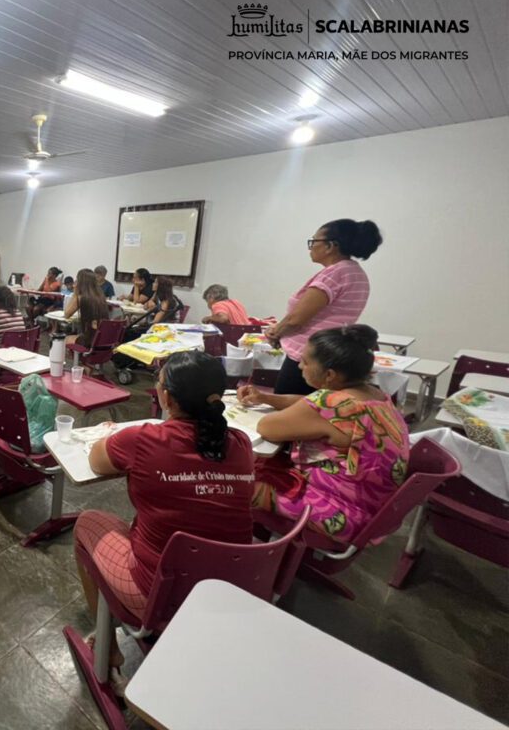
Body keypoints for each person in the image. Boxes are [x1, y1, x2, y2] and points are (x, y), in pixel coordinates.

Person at [74, 351, 254, 684]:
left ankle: (107, 647)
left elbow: (97, 461)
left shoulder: (142, 439)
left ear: (167, 397)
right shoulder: (241, 444)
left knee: (87, 522)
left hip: (159, 594)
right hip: (231, 587)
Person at [240, 324, 410, 541]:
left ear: (329, 374)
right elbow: (308, 404)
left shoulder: (331, 403)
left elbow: (267, 427)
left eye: (305, 362)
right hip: (374, 508)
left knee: (236, 481)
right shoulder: (375, 395)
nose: (299, 365)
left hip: (342, 512)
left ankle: (245, 543)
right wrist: (265, 398)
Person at [265, 220, 382, 395]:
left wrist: (276, 333)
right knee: (317, 407)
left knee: (291, 406)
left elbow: (296, 319)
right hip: (328, 355)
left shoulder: (335, 273)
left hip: (311, 356)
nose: (311, 247)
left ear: (330, 246)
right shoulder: (355, 272)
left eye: (314, 241)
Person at [64, 269, 108, 348]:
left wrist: (75, 293)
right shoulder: (101, 297)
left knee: (65, 339)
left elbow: (66, 314)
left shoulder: (81, 298)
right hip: (104, 338)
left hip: (91, 340)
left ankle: (78, 354)